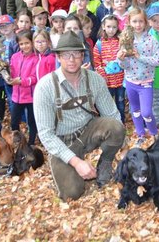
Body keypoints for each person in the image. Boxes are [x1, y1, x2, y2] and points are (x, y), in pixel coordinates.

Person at [33, 31, 126, 200]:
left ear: (83, 56)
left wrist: (122, 145)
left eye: (76, 54)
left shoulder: (95, 79)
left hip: (88, 131)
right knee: (72, 193)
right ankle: (70, 169)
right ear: (58, 57)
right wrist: (76, 162)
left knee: (116, 127)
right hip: (62, 141)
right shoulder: (44, 87)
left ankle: (105, 164)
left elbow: (112, 114)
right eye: (66, 54)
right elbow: (46, 134)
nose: (71, 59)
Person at [117, 8, 159, 146]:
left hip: (146, 82)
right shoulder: (126, 40)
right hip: (131, 82)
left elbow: (158, 61)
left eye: (140, 21)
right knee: (135, 110)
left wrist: (139, 56)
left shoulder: (151, 40)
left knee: (146, 112)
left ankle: (154, 133)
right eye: (134, 21)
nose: (137, 25)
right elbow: (123, 65)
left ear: (145, 22)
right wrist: (121, 59)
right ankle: (140, 134)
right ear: (129, 22)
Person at [93, 15, 126, 123]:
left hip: (120, 80)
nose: (111, 30)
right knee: (107, 105)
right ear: (103, 27)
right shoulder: (99, 44)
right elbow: (97, 63)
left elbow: (126, 59)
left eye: (114, 27)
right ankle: (109, 124)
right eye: (108, 27)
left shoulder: (121, 41)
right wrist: (103, 76)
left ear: (118, 28)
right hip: (107, 82)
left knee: (120, 103)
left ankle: (121, 124)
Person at [8, 30, 39, 145]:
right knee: (14, 121)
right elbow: (11, 70)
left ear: (32, 43)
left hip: (31, 97)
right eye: (21, 44)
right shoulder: (15, 57)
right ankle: (18, 141)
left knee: (32, 121)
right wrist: (8, 76)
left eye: (27, 43)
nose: (24, 46)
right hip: (17, 96)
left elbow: (35, 78)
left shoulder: (36, 58)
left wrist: (21, 81)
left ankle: (31, 143)